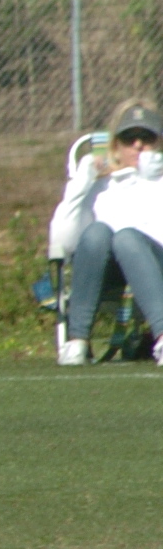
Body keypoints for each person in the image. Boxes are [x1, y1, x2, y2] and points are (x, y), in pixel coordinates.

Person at [51, 99, 163, 366]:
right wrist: (79, 185)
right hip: (109, 273)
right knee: (97, 232)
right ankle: (77, 341)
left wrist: (153, 184)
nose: (138, 145)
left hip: (156, 264)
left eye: (146, 138)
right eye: (129, 138)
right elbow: (62, 243)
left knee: (127, 238)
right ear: (116, 145)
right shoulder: (101, 186)